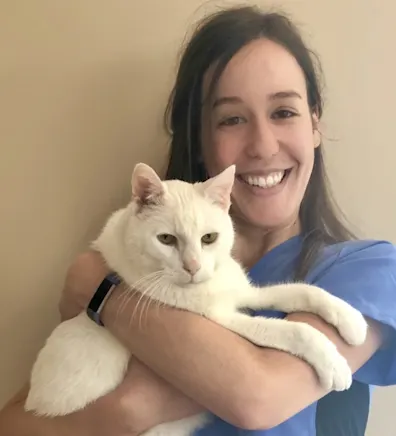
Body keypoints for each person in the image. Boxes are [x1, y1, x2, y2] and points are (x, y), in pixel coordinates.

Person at [1, 5, 396, 436]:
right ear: (202, 139)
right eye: (232, 119)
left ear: (314, 123)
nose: (263, 146)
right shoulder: (138, 260)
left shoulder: (367, 270)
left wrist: (100, 292)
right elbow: (18, 422)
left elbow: (257, 395)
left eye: (284, 112)